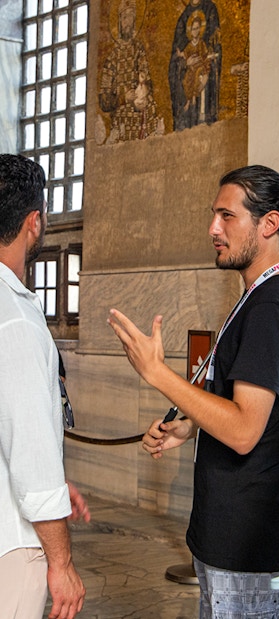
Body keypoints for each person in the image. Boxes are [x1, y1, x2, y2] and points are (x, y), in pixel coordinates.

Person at [108, 164, 279, 618]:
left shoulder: (272, 307)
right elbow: (246, 409)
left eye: (227, 216)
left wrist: (158, 373)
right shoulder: (259, 297)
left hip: (246, 536)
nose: (212, 229)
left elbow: (244, 429)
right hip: (232, 529)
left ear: (269, 224)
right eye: (214, 215)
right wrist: (190, 424)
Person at [0, 154, 90, 619]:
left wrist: (55, 483)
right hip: (10, 546)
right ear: (34, 222)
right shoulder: (13, 318)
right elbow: (30, 452)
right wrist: (62, 562)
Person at [99, 0, 159, 142]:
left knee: (151, 108)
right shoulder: (112, 59)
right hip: (122, 114)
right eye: (124, 17)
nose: (128, 21)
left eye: (131, 16)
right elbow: (103, 100)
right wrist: (123, 98)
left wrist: (142, 90)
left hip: (139, 111)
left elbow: (147, 81)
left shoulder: (138, 50)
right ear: (119, 21)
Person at [169, 0, 221, 131]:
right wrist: (185, 63)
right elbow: (175, 59)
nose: (196, 31)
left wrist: (207, 63)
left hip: (204, 73)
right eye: (193, 28)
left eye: (198, 28)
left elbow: (215, 48)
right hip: (189, 74)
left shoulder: (210, 10)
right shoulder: (183, 19)